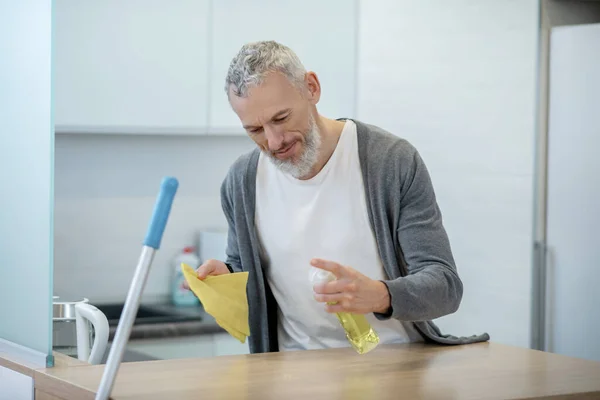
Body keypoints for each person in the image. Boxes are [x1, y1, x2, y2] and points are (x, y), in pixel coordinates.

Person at [193, 41, 489, 353]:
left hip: (396, 365)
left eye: (281, 118)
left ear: (311, 88)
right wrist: (223, 280)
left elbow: (445, 287)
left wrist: (380, 295)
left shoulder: (390, 162)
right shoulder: (242, 182)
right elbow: (244, 271)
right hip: (293, 372)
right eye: (255, 129)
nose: (273, 140)